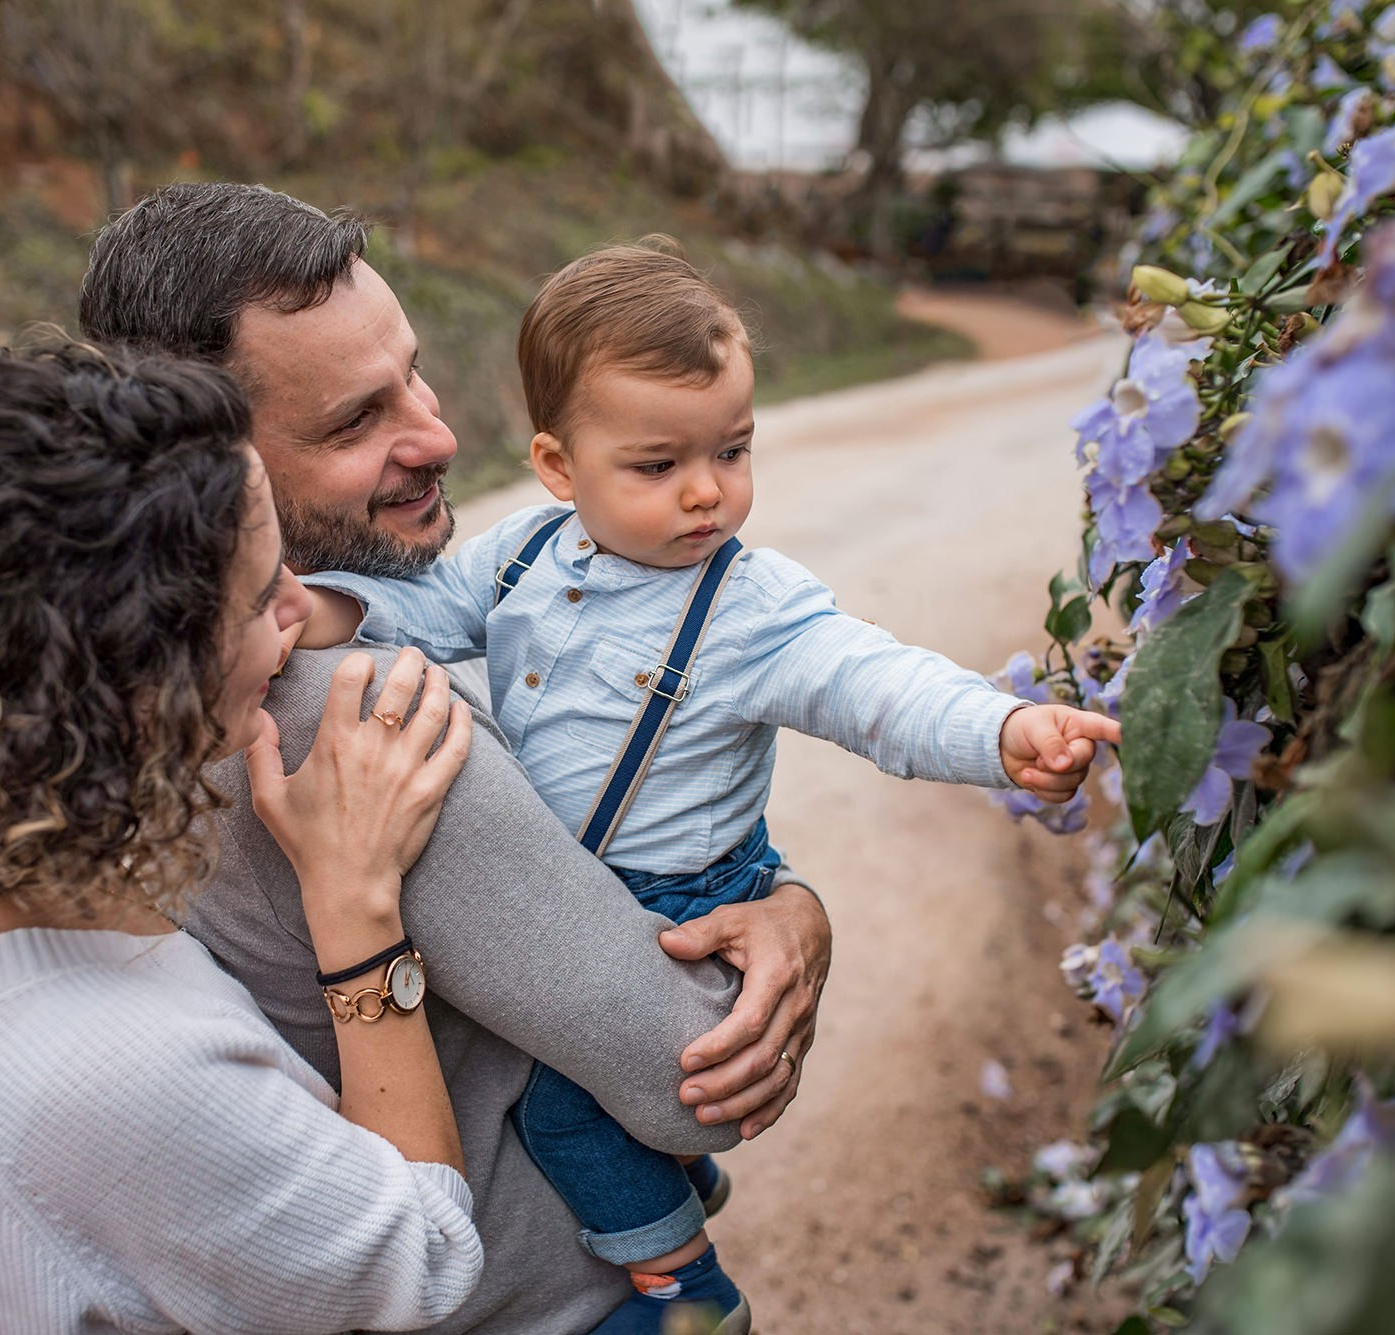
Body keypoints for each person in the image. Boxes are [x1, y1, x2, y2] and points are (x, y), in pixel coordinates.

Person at [290, 241, 1121, 1331]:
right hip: (592, 882)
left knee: (566, 1115)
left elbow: (870, 682)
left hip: (681, 894)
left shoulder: (748, 606)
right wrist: (318, 608)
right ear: (558, 466)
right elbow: (430, 607)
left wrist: (1000, 728)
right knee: (594, 1085)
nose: (705, 491)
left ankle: (684, 1282)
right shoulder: (527, 552)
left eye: (732, 449)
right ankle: (672, 1180)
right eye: (657, 464)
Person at [79, 182, 836, 1334]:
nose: (435, 435)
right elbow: (694, 1075)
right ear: (205, 465)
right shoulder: (352, 717)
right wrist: (785, 911)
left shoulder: (113, 677)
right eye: (354, 422)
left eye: (413, 376)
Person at [0, 341, 485, 1331]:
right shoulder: (126, 1075)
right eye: (259, 599)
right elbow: (426, 1259)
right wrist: (356, 905)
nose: (300, 600)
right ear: (141, 689)